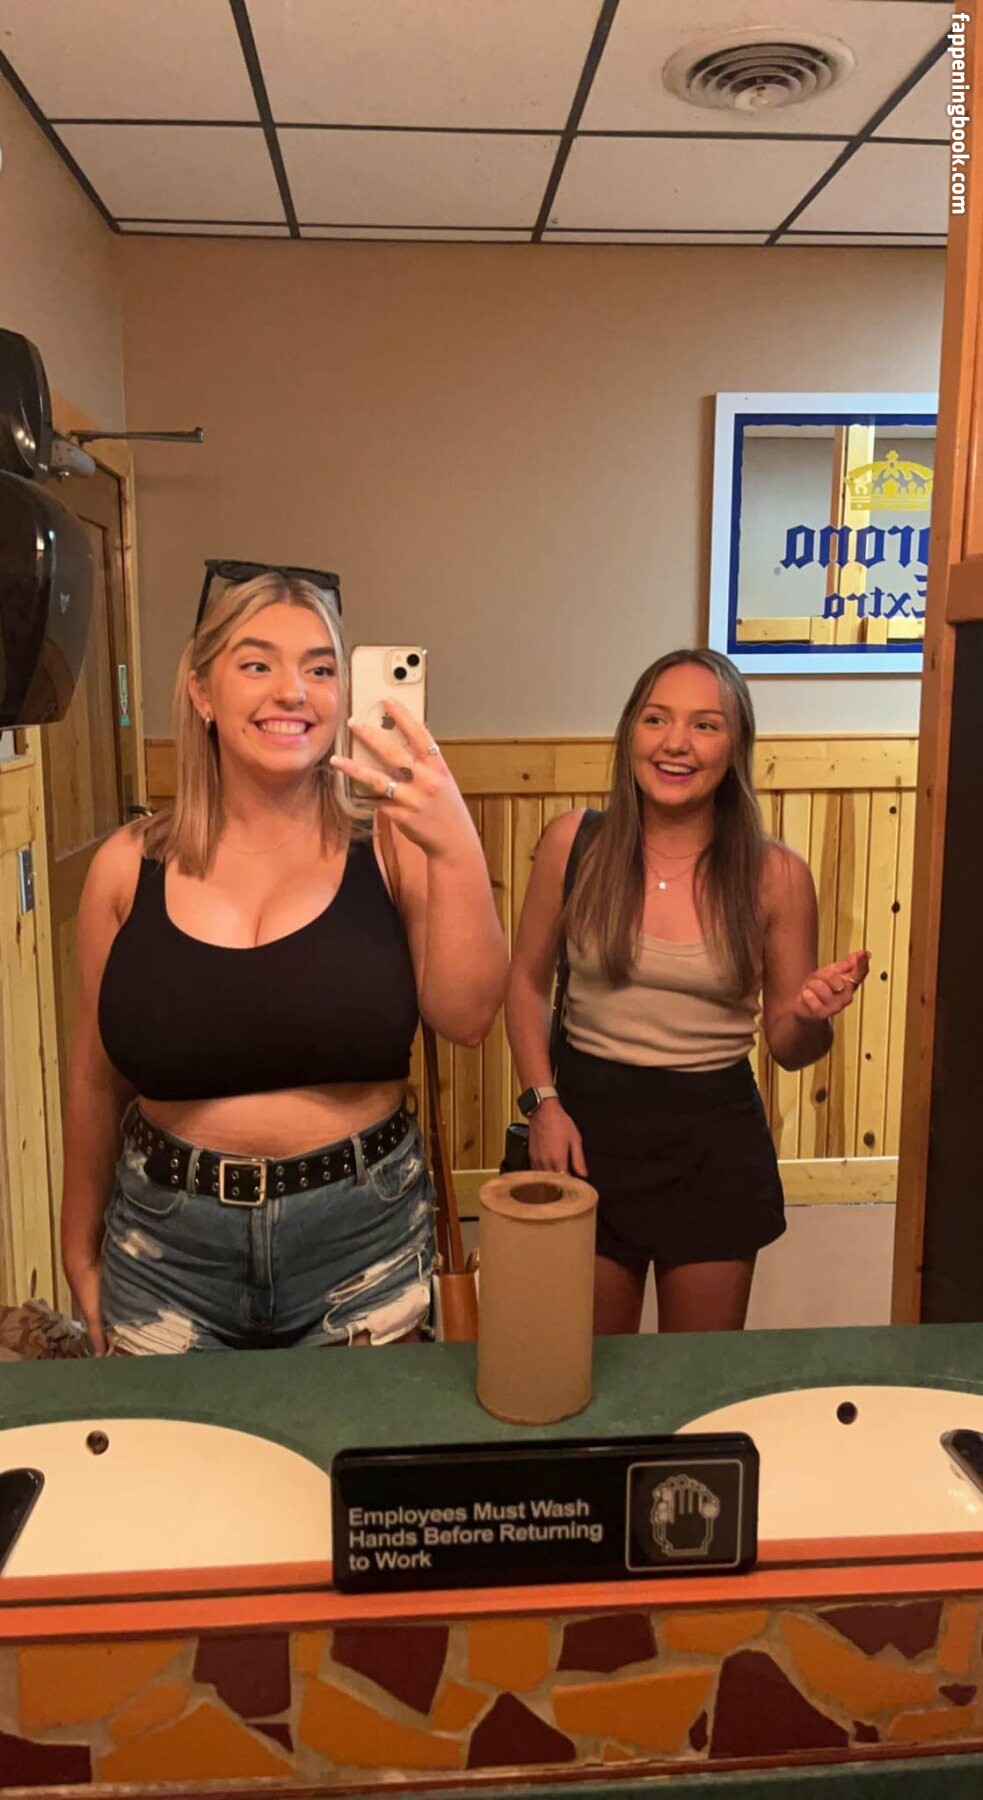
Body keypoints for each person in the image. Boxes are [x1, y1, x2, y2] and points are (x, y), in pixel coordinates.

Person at [61, 564, 507, 1354]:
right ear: (202, 692)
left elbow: (467, 1017)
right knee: (170, 1442)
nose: (292, 691)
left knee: (354, 1443)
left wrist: (455, 841)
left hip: (363, 1241)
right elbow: (96, 1077)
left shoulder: (394, 845)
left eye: (320, 669)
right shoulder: (126, 867)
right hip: (164, 1254)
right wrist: (77, 1241)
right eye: (256, 663)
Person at [506, 648, 869, 1337]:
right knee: (588, 1374)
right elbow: (524, 985)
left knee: (696, 1380)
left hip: (713, 1146)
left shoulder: (776, 875)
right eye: (656, 720)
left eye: (704, 725)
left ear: (734, 748)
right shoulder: (572, 844)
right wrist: (542, 1103)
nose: (675, 743)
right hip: (585, 1131)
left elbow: (791, 1048)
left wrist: (810, 1015)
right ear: (630, 734)